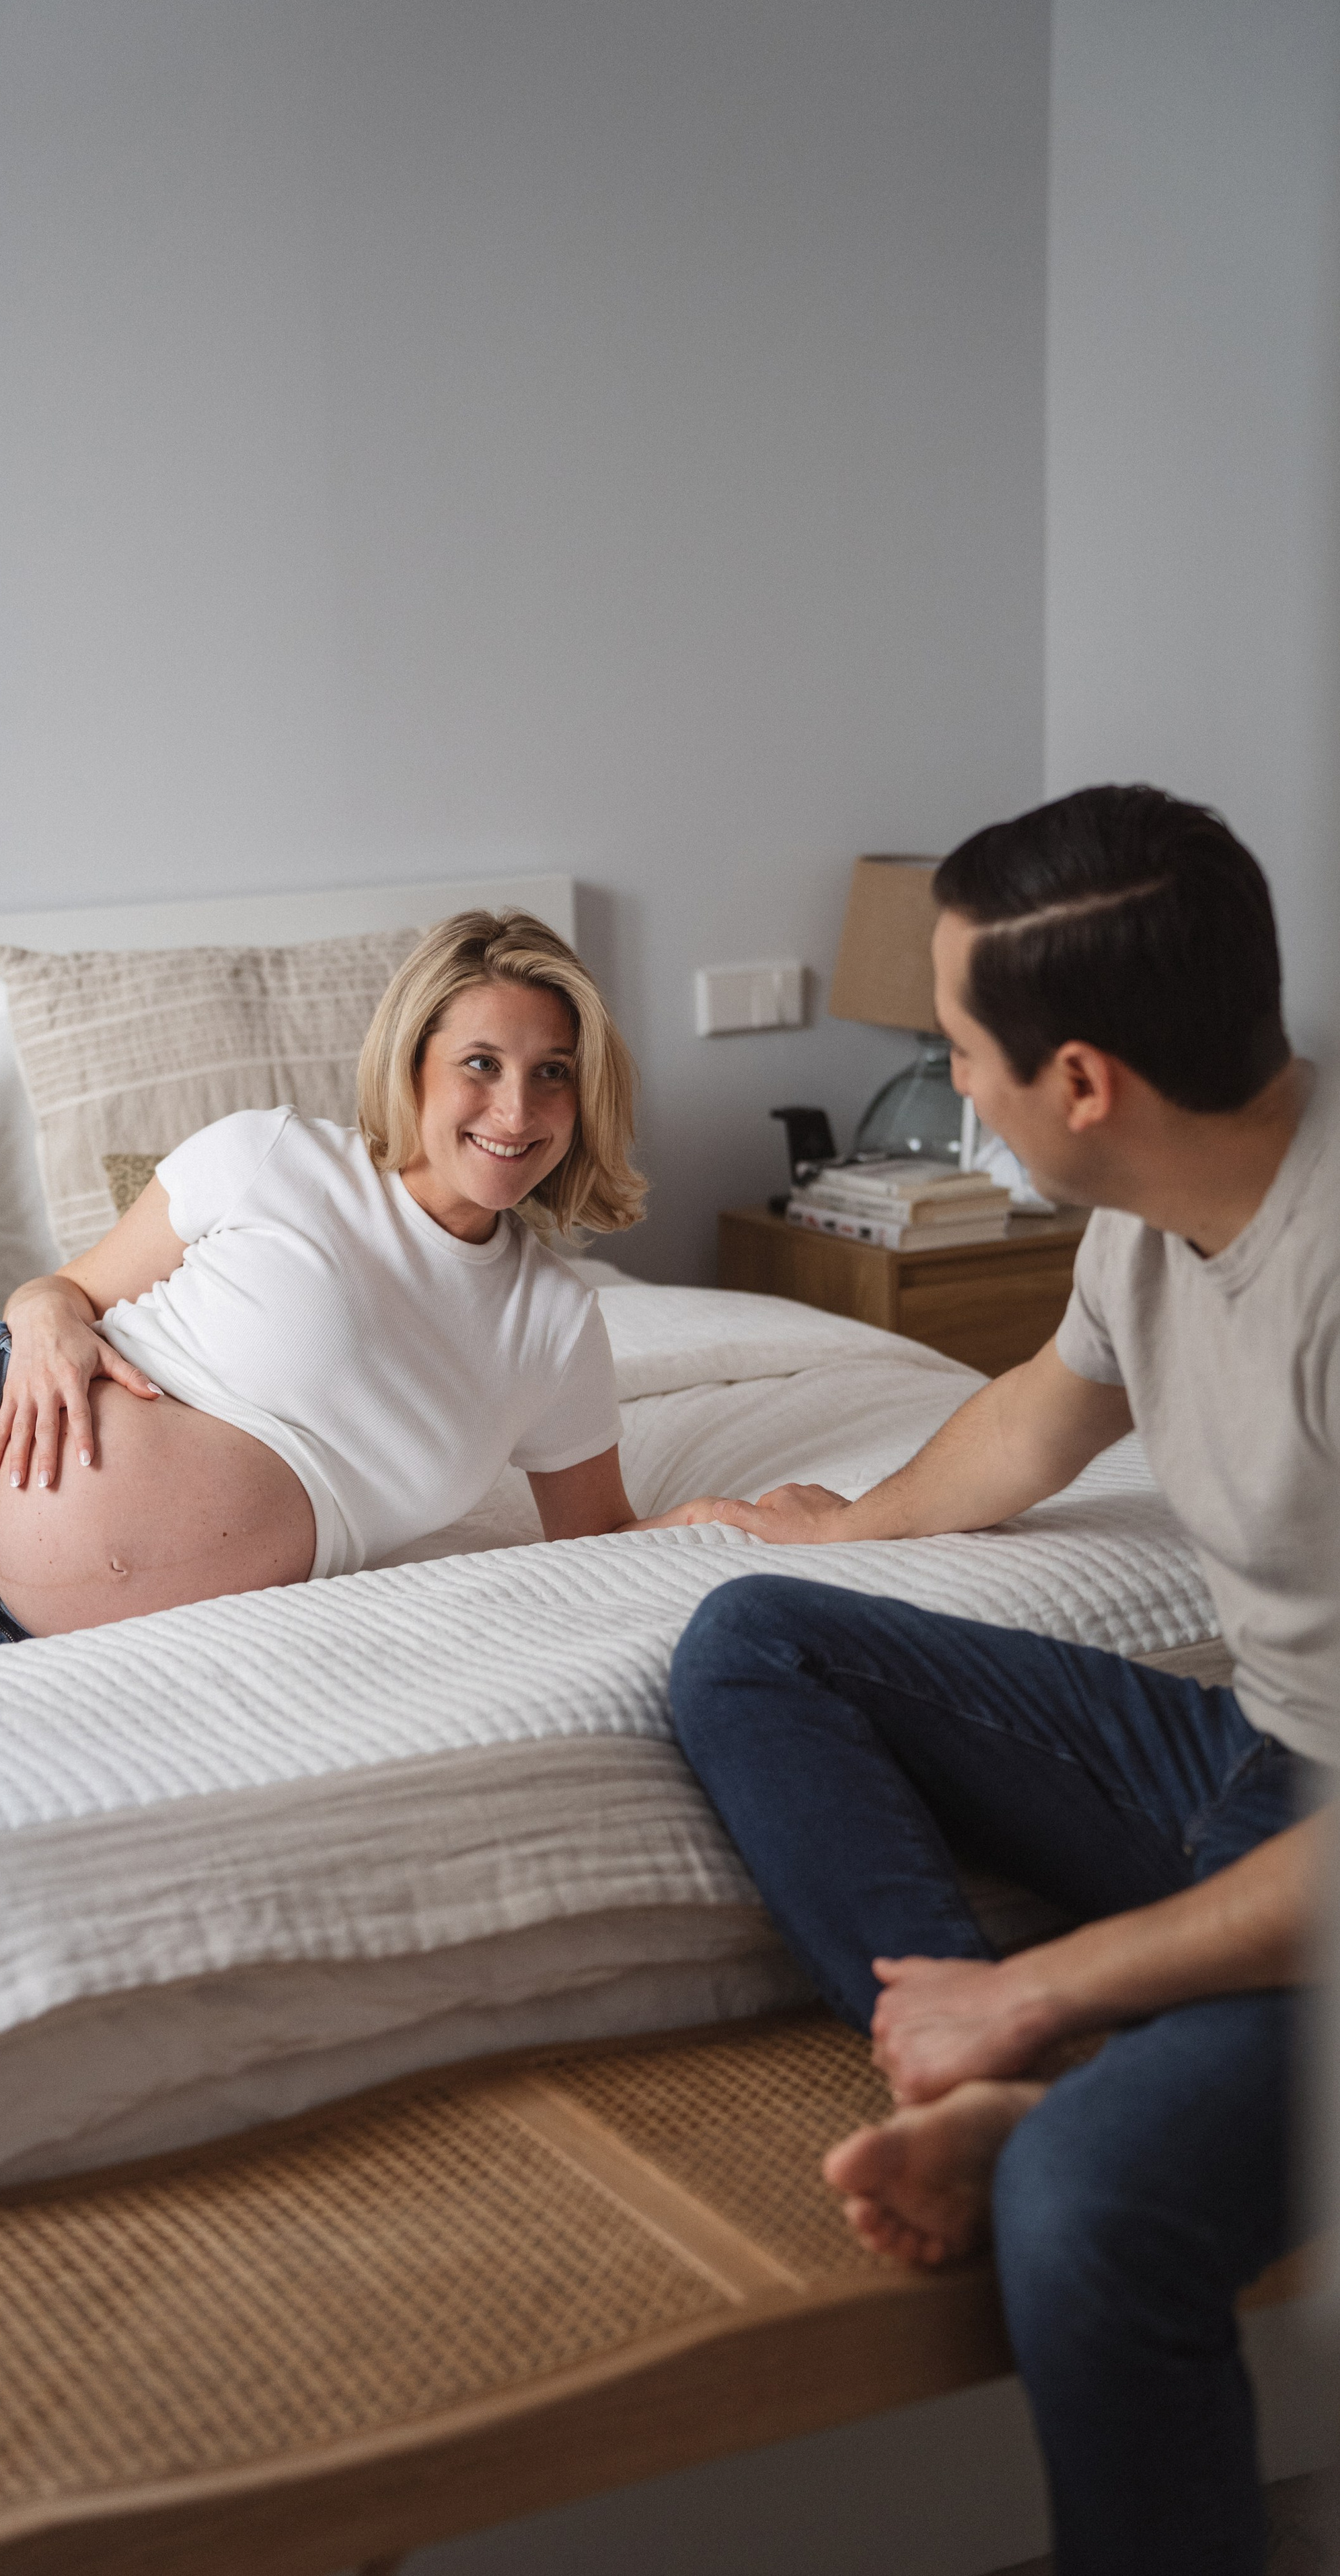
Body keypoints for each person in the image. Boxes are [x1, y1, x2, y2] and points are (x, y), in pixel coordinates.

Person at [665, 786, 1337, 2576]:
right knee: (753, 1636)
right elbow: (1052, 1400)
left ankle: (1037, 2094)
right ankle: (963, 2083)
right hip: (1255, 1763)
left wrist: (1043, 1994)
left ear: (1086, 1081)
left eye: (968, 1051)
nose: (958, 1089)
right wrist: (852, 1530)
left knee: (1091, 2202)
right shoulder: (1153, 1198)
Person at [0, 909, 675, 1684]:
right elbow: (59, 1290)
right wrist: (38, 1329)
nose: (516, 1106)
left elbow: (606, 1542)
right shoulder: (275, 1158)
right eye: (481, 1063)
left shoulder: (554, 1325)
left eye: (554, 1073)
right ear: (413, 1068)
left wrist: (811, 1524)